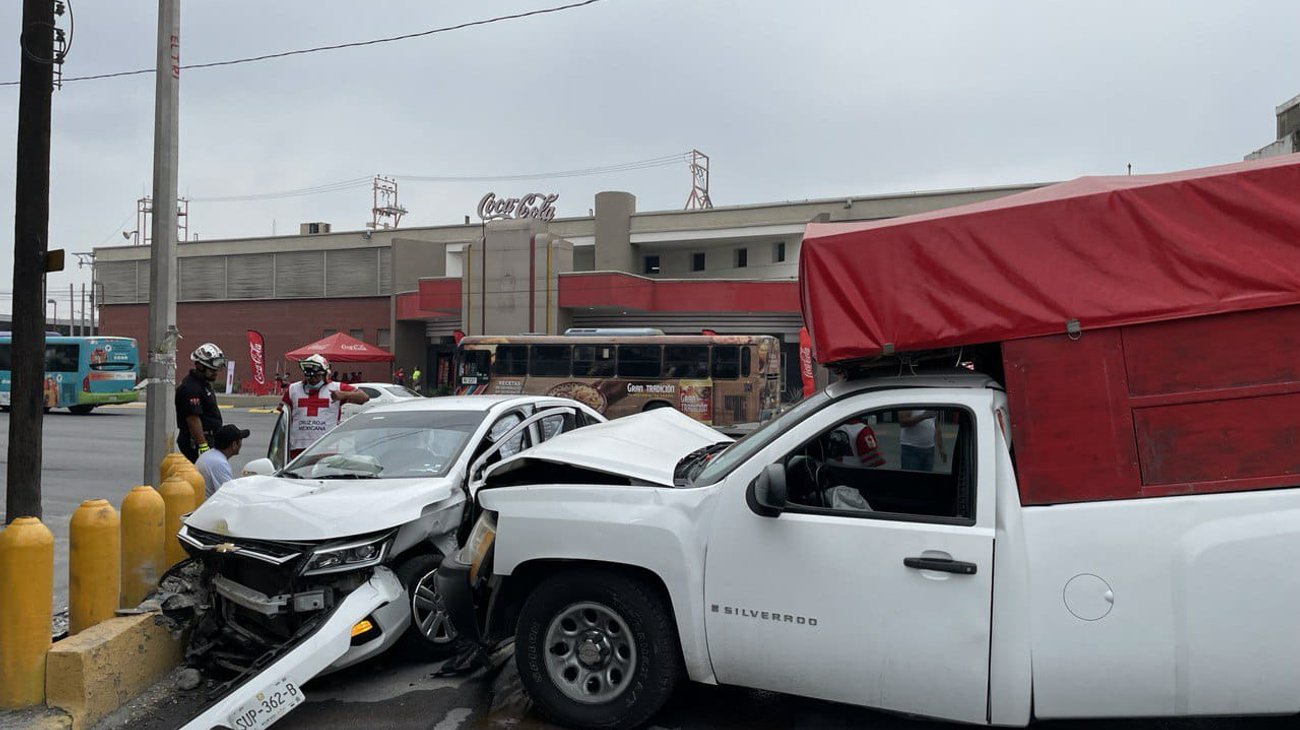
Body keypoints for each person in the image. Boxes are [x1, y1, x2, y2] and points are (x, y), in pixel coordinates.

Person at [282, 354, 369, 460]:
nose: (312, 379)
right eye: (309, 376)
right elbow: (283, 420)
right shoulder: (293, 389)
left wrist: (345, 395)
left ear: (325, 374)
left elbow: (364, 398)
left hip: (326, 448)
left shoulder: (337, 387)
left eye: (316, 376)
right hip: (298, 447)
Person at [175, 343, 226, 462]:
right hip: (197, 441)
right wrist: (202, 445)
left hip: (208, 438)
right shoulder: (190, 388)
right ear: (199, 366)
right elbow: (193, 418)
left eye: (217, 369)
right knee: (201, 477)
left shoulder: (203, 384)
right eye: (212, 369)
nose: (216, 372)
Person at [194, 424, 250, 498]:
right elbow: (228, 495)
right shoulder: (219, 464)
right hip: (208, 507)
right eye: (240, 441)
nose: (241, 444)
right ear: (234, 444)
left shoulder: (210, 455)